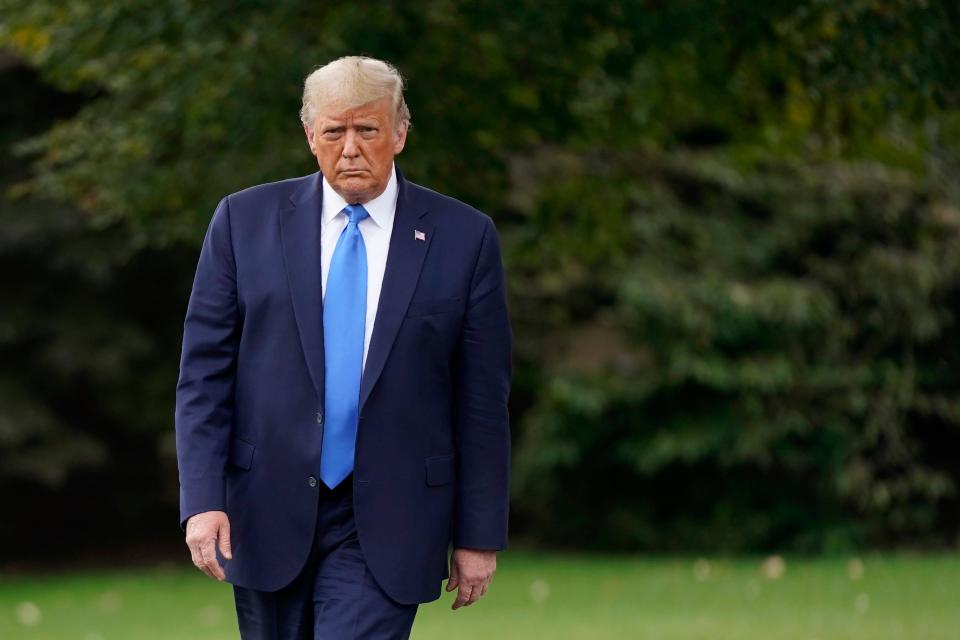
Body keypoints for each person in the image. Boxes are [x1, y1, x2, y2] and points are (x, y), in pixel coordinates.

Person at [174, 55, 513, 639]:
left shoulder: (464, 237)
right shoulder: (242, 221)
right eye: (334, 131)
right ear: (310, 136)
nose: (350, 147)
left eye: (368, 129)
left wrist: (479, 533)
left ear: (400, 133)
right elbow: (204, 377)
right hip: (266, 509)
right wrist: (202, 499)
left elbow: (482, 400)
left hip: (392, 515)